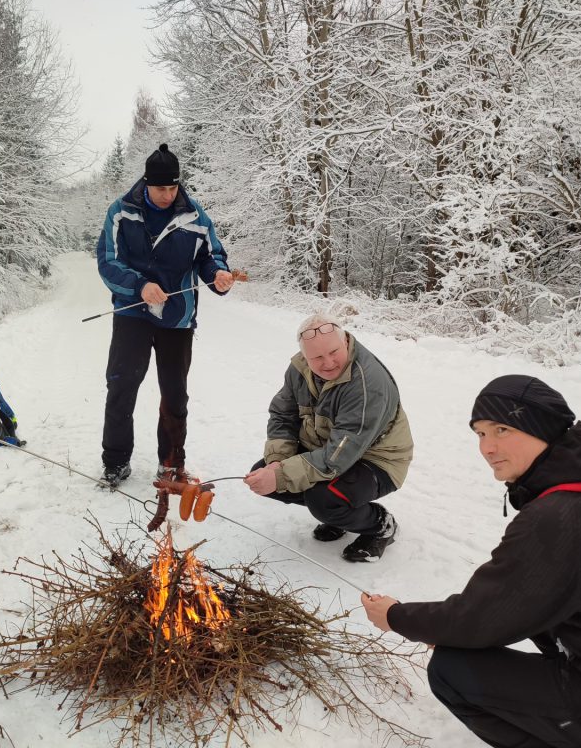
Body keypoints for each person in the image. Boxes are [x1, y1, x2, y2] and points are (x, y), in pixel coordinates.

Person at [361, 375, 581, 748]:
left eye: (501, 429)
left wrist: (396, 617)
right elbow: (521, 607)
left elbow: (480, 617)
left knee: (452, 670)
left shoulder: (564, 516)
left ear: (543, 428)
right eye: (480, 434)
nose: (487, 447)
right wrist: (456, 631)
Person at [96, 143, 234, 486]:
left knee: (175, 393)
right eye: (160, 189)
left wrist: (218, 275)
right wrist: (140, 285)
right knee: (122, 385)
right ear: (147, 183)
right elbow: (108, 261)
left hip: (177, 316)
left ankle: (171, 464)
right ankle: (115, 461)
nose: (167, 195)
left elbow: (210, 256)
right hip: (132, 312)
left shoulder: (195, 216)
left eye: (173, 188)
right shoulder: (121, 212)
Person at [243, 314, 413, 562]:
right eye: (317, 357)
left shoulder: (367, 384)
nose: (329, 363)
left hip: (377, 460)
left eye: (334, 352)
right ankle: (339, 514)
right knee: (264, 475)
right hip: (329, 447)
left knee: (323, 499)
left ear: (345, 341)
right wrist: (277, 462)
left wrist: (282, 474)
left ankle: (380, 525)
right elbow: (283, 415)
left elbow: (338, 457)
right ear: (305, 356)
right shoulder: (299, 369)